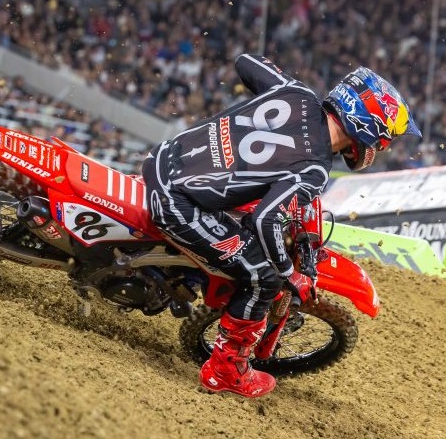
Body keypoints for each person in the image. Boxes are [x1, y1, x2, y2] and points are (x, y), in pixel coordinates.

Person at [141, 54, 421, 398]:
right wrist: (290, 274)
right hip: (177, 203)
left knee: (236, 229)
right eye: (387, 137)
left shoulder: (296, 92)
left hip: (162, 159)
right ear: (369, 128)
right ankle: (224, 372)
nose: (384, 146)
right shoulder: (314, 167)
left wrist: (276, 82)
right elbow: (266, 220)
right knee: (263, 278)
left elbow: (244, 62)